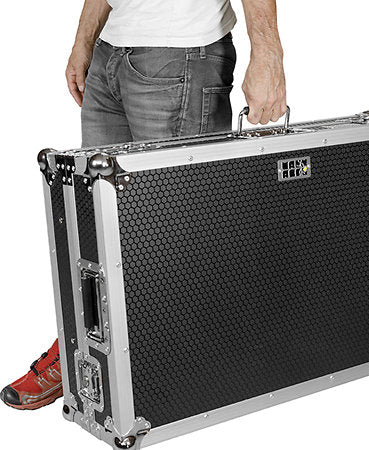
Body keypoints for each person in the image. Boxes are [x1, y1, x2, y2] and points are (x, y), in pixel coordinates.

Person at [1, 0, 286, 410]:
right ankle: (85, 353)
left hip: (180, 52)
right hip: (109, 52)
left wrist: (268, 53)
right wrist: (84, 41)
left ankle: (173, 381)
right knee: (98, 234)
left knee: (174, 239)